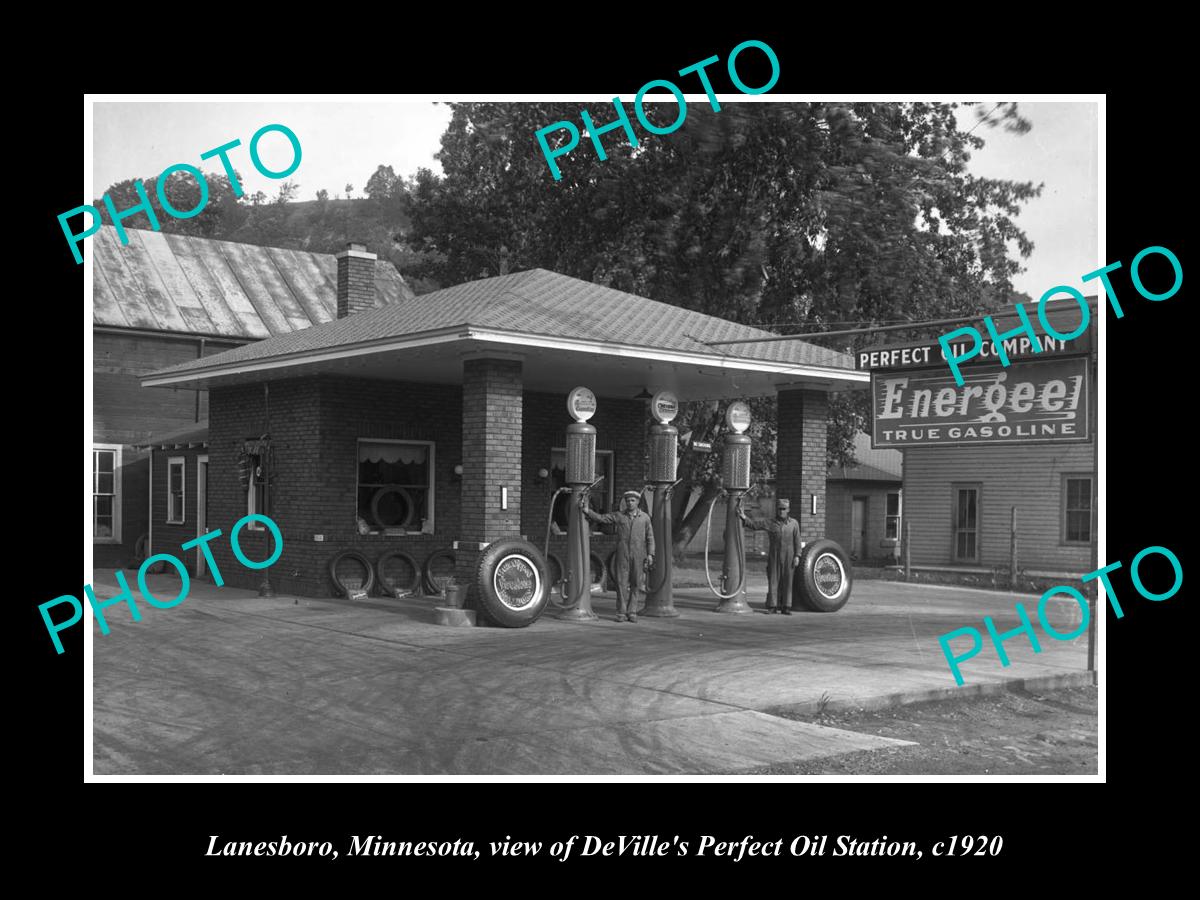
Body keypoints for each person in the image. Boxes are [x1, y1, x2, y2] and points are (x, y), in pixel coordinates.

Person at [582, 490, 655, 623]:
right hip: (622, 554)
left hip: (639, 555)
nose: (630, 503)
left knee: (636, 583)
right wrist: (588, 511)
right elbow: (602, 518)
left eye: (633, 500)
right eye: (627, 500)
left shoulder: (645, 518)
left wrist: (650, 554)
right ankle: (621, 612)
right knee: (621, 583)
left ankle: (632, 612)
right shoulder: (619, 516)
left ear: (638, 502)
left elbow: (650, 537)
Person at [739, 497, 802, 614]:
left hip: (789, 555)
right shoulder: (770, 522)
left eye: (783, 509)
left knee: (788, 581)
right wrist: (744, 517)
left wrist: (797, 555)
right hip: (775, 555)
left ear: (788, 510)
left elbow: (797, 540)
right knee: (773, 580)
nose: (781, 511)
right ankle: (773, 606)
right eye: (779, 509)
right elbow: (754, 525)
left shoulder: (794, 524)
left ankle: (786, 606)